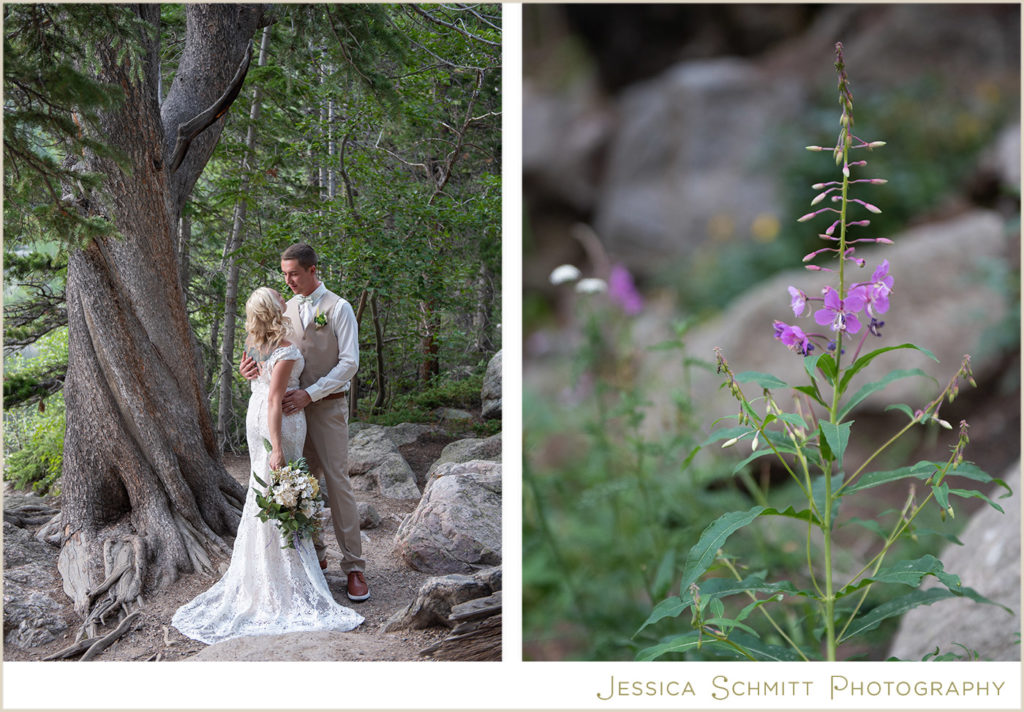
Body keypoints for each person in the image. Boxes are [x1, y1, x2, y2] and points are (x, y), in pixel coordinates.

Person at [172, 287, 363, 644]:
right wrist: (275, 444)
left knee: (289, 486)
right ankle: (292, 566)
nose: (284, 287)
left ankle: (342, 566)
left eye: (289, 277)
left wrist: (268, 380)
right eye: (280, 287)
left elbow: (345, 363)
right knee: (284, 485)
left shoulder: (328, 312)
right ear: (275, 309)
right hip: (280, 419)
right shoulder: (283, 341)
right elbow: (272, 392)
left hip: (289, 411)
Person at [240, 244, 368, 602]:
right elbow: (266, 348)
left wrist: (310, 394)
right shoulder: (286, 308)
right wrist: (249, 367)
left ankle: (354, 566)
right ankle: (315, 554)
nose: (288, 281)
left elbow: (350, 363)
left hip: (325, 407)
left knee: (337, 482)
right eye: (284, 274)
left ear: (313, 270)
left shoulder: (339, 308)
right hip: (288, 414)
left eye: (293, 273)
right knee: (297, 482)